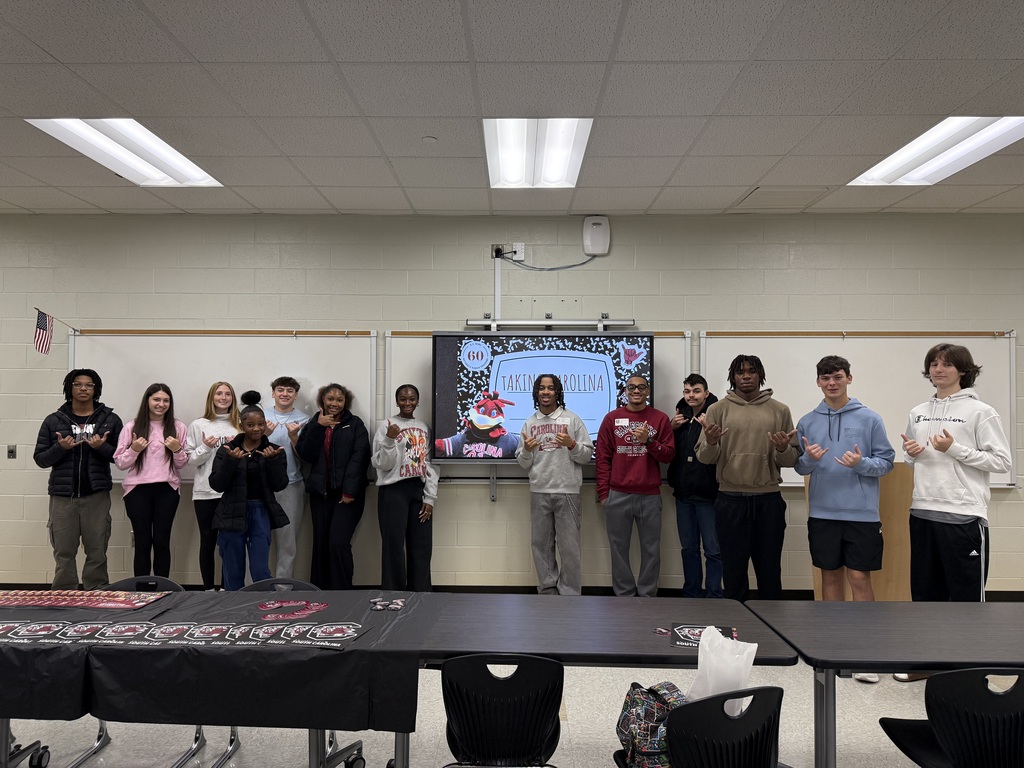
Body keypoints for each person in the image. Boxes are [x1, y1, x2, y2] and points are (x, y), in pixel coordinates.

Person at [796, 356, 894, 684]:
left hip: (861, 514)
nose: (831, 383)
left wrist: (861, 463)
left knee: (859, 577)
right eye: (825, 378)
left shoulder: (870, 419)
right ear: (818, 382)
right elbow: (800, 468)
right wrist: (808, 460)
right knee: (830, 577)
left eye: (837, 377)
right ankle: (835, 645)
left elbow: (887, 462)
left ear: (849, 378)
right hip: (822, 512)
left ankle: (865, 650)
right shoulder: (807, 421)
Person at [901, 344, 1011, 603]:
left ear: (963, 370)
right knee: (925, 596)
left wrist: (955, 449)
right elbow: (909, 460)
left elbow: (1002, 461)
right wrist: (912, 453)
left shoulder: (981, 412)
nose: (939, 370)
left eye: (947, 364)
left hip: (964, 516)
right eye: (934, 364)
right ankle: (929, 645)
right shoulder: (918, 413)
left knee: (966, 600)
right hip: (922, 513)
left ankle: (968, 645)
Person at [695, 355, 798, 602]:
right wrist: (710, 441)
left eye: (752, 371)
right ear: (733, 376)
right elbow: (705, 458)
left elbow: (791, 460)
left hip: (768, 501)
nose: (746, 376)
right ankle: (735, 630)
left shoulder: (779, 410)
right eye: (740, 372)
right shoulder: (717, 409)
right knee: (733, 572)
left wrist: (784, 448)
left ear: (760, 375)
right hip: (730, 501)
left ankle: (772, 631)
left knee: (770, 571)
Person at [33, 369, 123, 590]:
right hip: (63, 497)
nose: (84, 388)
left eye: (89, 385)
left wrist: (102, 448)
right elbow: (41, 459)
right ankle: (64, 596)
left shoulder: (110, 420)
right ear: (69, 388)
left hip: (96, 495)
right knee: (63, 552)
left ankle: (97, 593)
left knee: (97, 551)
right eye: (78, 384)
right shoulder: (53, 421)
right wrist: (60, 449)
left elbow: (122, 457)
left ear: (96, 389)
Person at [595, 375, 675, 597]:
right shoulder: (612, 419)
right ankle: (624, 595)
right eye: (632, 387)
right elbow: (602, 458)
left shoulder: (660, 419)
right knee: (618, 550)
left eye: (641, 387)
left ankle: (648, 594)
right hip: (617, 494)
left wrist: (649, 441)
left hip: (649, 495)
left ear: (648, 391)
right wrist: (604, 493)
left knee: (651, 550)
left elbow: (668, 456)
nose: (636, 391)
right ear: (625, 391)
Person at [516, 374, 594, 595]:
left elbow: (586, 456)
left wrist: (572, 445)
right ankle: (548, 591)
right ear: (536, 393)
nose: (546, 392)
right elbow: (523, 463)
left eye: (551, 388)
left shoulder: (573, 420)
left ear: (558, 392)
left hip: (567, 491)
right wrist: (527, 451)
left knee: (569, 548)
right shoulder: (530, 423)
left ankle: (569, 593)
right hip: (539, 491)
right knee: (541, 546)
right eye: (542, 388)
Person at [209, 391, 290, 591]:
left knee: (260, 568)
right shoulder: (227, 450)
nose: (256, 429)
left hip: (260, 511)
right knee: (232, 568)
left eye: (261, 424)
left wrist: (271, 462)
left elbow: (280, 484)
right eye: (251, 425)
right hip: (231, 513)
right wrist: (230, 461)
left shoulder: (274, 450)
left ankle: (264, 608)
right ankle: (233, 611)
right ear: (242, 425)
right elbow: (216, 484)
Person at [295, 383, 370, 590]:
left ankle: (342, 592)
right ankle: (321, 592)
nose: (334, 403)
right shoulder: (314, 423)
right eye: (330, 399)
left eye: (339, 400)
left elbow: (360, 459)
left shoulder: (355, 424)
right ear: (322, 401)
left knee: (338, 542)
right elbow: (305, 454)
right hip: (321, 494)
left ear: (345, 402)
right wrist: (318, 427)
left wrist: (349, 491)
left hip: (347, 495)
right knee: (320, 544)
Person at [114, 383, 188, 578]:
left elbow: (182, 464)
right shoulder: (132, 426)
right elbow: (120, 463)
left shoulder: (178, 427)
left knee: (162, 541)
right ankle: (141, 591)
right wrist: (134, 449)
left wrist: (177, 450)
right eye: (156, 399)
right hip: (138, 491)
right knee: (142, 541)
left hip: (167, 490)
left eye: (165, 400)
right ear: (147, 401)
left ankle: (162, 589)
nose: (161, 404)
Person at [371, 384, 439, 591]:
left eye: (411, 399)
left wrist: (430, 498)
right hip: (393, 491)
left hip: (417, 490)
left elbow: (430, 465)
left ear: (418, 401)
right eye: (403, 399)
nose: (407, 403)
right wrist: (390, 439)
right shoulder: (387, 425)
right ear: (396, 400)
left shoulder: (424, 427)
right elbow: (381, 463)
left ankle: (421, 592)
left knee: (421, 545)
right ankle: (393, 593)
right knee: (393, 546)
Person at [666, 374, 721, 598]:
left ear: (706, 393)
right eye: (687, 391)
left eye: (696, 391)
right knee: (689, 549)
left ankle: (715, 594)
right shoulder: (679, 417)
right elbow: (668, 450)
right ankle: (692, 594)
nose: (691, 396)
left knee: (713, 551)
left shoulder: (716, 415)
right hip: (683, 495)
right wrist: (671, 428)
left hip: (709, 495)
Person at [185, 381, 241, 591]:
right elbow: (191, 460)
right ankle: (208, 589)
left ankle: (229, 588)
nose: (224, 398)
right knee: (208, 540)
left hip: (232, 492)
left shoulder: (240, 424)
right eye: (219, 394)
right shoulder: (198, 425)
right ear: (212, 397)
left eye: (228, 394)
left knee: (230, 543)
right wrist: (206, 447)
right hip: (205, 492)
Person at [261, 376, 309, 578]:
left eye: (290, 391)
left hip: (292, 484)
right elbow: (249, 450)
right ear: (273, 393)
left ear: (296, 395)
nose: (284, 394)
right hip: (261, 485)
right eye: (280, 390)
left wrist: (294, 437)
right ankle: (255, 586)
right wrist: (263, 434)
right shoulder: (260, 416)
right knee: (258, 538)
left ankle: (283, 588)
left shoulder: (305, 419)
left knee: (288, 540)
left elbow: (305, 456)